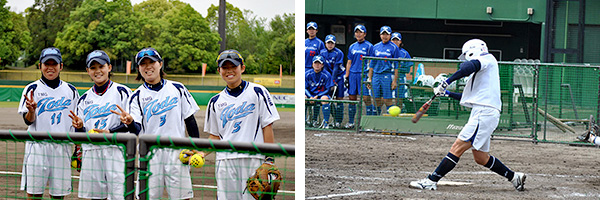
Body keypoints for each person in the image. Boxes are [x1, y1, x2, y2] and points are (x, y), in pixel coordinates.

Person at [409, 39, 526, 191]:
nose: (466, 59)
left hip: (484, 113)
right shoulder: (483, 72)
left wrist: (447, 81)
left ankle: (431, 180)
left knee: (457, 146)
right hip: (484, 112)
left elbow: (468, 67)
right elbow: (467, 97)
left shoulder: (486, 59)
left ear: (473, 51)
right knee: (481, 157)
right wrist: (447, 93)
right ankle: (514, 177)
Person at [112, 47, 200, 199]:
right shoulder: (137, 96)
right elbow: (136, 129)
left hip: (177, 152)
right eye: (143, 64)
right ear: (138, 69)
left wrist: (195, 147)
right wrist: (131, 122)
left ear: (160, 64)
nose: (148, 67)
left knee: (182, 197)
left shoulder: (178, 88)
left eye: (151, 62)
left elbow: (190, 120)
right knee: (147, 197)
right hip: (150, 154)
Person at [203, 49, 280, 199]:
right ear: (219, 70)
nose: (229, 71)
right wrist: (201, 153)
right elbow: (215, 136)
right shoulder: (215, 101)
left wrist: (269, 160)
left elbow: (267, 126)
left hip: (253, 159)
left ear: (242, 68)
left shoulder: (258, 92)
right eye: (225, 67)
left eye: (234, 66)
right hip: (225, 161)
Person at [67, 50, 133, 199]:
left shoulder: (122, 92)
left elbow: (131, 125)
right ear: (88, 71)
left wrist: (110, 132)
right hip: (92, 153)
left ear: (109, 67)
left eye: (101, 66)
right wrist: (79, 127)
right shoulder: (84, 99)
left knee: (119, 196)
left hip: (116, 151)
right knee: (96, 197)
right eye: (93, 67)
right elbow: (81, 135)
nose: (98, 71)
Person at [18, 47, 79, 199]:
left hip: (62, 147)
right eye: (47, 64)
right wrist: (31, 111)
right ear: (40, 66)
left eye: (54, 64)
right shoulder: (32, 89)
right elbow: (27, 121)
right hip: (37, 147)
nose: (50, 67)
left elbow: (76, 122)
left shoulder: (71, 91)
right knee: (34, 193)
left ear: (61, 66)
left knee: (58, 195)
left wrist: (78, 146)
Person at [367, 26, 401, 115]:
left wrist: (394, 81)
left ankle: (388, 123)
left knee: (388, 100)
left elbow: (397, 65)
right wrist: (369, 78)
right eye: (383, 34)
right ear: (380, 35)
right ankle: (375, 122)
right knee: (376, 99)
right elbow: (372, 63)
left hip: (387, 75)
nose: (384, 36)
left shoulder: (394, 48)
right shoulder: (375, 47)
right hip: (376, 75)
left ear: (390, 35)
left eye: (387, 34)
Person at [345, 24, 374, 127]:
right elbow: (349, 61)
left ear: (365, 34)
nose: (358, 34)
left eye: (360, 32)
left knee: (366, 98)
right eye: (356, 32)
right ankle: (351, 122)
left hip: (364, 74)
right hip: (353, 74)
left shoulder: (370, 46)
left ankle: (369, 122)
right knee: (352, 98)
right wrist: (346, 76)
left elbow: (372, 63)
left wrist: (370, 77)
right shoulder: (352, 46)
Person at [319, 34, 346, 127]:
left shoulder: (339, 53)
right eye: (328, 43)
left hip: (338, 77)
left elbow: (336, 68)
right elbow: (324, 68)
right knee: (327, 99)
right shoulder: (322, 52)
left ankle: (339, 121)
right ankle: (333, 118)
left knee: (339, 99)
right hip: (329, 77)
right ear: (325, 43)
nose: (330, 45)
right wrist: (328, 80)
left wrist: (333, 80)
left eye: (332, 43)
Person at [305, 55, 334, 128]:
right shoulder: (307, 74)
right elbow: (304, 88)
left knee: (324, 99)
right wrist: (310, 97)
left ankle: (326, 122)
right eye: (315, 63)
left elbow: (328, 89)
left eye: (319, 63)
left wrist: (317, 96)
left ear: (322, 65)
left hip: (321, 95)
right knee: (303, 98)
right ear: (312, 64)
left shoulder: (326, 74)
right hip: (311, 95)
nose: (317, 65)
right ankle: (304, 120)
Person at [391, 32, 413, 111]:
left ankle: (399, 112)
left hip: (400, 78)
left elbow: (407, 69)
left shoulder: (404, 53)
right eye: (393, 40)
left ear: (400, 41)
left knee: (399, 98)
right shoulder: (387, 51)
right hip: (388, 77)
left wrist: (398, 70)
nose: (395, 42)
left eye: (397, 40)